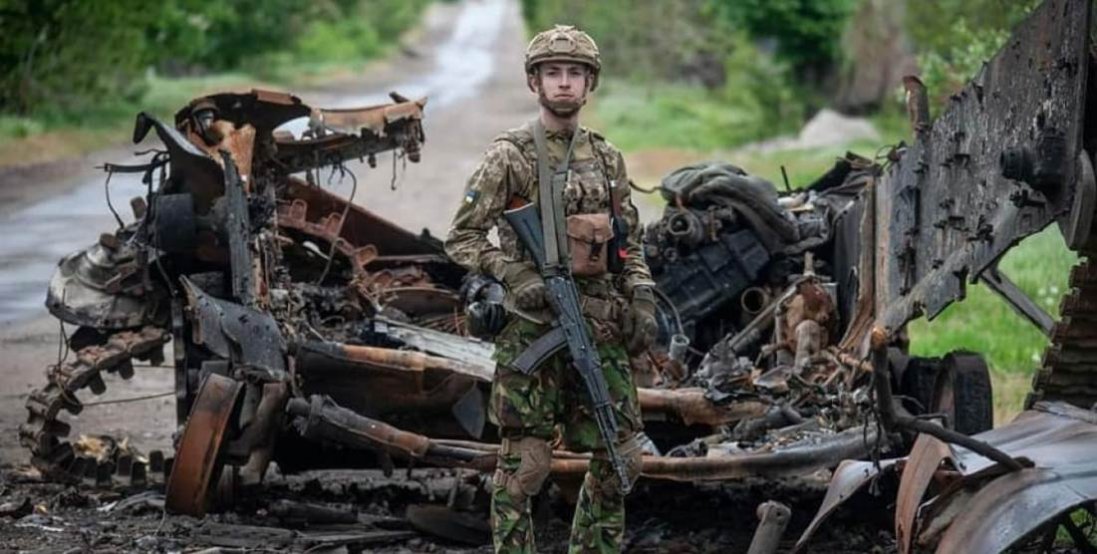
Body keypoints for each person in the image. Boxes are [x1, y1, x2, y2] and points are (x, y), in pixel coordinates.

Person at [444, 24, 657, 554]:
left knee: (623, 454)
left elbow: (628, 243)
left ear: (590, 84)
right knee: (526, 465)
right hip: (533, 329)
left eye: (575, 74)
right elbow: (462, 237)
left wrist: (642, 297)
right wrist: (513, 274)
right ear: (535, 82)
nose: (564, 84)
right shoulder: (509, 155)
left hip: (598, 324)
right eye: (553, 74)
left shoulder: (608, 159)